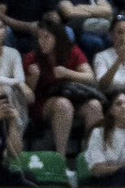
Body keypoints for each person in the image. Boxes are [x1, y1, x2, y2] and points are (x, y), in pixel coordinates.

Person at [23, 15, 103, 156]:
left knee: (94, 105)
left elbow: (90, 77)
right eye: (39, 38)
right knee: (63, 104)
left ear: (57, 37)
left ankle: (92, 156)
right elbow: (28, 94)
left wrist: (68, 73)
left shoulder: (72, 51)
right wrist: (33, 77)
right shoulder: (32, 57)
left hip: (74, 98)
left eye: (46, 37)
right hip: (43, 103)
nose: (42, 42)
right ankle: (61, 157)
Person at [82, 90, 125, 188]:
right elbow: (97, 168)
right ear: (111, 109)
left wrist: (110, 165)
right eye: (118, 103)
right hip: (104, 181)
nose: (123, 107)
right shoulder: (98, 132)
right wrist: (124, 166)